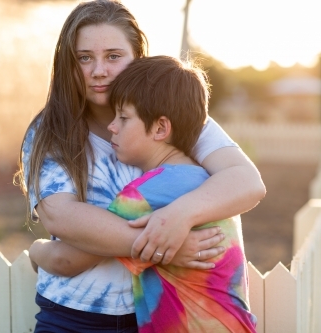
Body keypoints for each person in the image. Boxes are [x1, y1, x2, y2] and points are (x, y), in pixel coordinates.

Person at [14, 0, 265, 331]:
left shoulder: (174, 117)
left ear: (137, 58)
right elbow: (62, 216)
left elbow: (246, 182)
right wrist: (165, 247)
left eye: (114, 56)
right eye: (84, 58)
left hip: (153, 316)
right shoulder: (51, 130)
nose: (99, 70)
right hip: (72, 316)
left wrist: (178, 217)